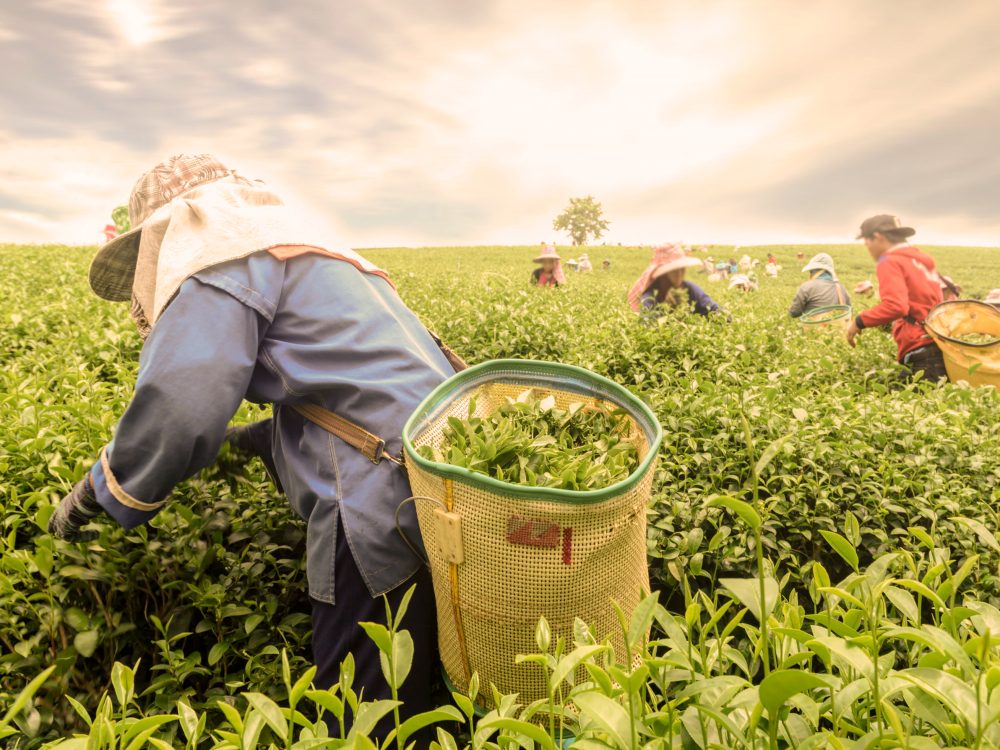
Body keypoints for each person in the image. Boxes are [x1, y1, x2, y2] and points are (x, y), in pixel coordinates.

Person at [46, 154, 455, 738]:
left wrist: (101, 488)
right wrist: (254, 442)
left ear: (174, 227)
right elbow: (354, 382)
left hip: (372, 494)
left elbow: (179, 404)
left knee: (363, 708)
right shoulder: (311, 253)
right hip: (436, 472)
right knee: (415, 682)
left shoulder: (219, 256)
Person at [845, 214, 948, 382]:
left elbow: (896, 306)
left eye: (867, 242)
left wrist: (859, 322)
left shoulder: (890, 261)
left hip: (918, 346)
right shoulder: (921, 261)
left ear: (878, 237)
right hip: (937, 341)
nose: (867, 248)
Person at [628, 243, 724, 318]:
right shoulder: (651, 295)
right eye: (674, 270)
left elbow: (717, 311)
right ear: (664, 273)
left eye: (682, 269)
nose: (679, 274)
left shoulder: (690, 289)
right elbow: (648, 324)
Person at [788, 253, 851, 318]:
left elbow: (794, 313)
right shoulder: (841, 288)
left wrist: (790, 309)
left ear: (813, 271)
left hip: (813, 324)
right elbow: (849, 310)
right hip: (839, 324)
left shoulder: (806, 287)